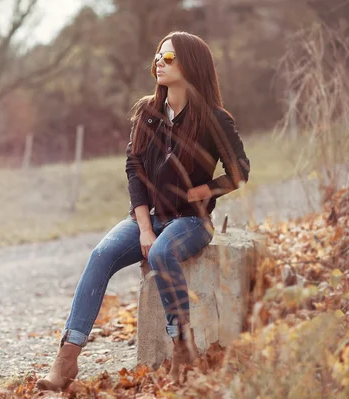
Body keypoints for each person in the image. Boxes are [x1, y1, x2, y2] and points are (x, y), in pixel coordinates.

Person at [35, 31, 251, 392]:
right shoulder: (147, 113)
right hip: (148, 218)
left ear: (191, 66)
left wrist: (206, 190)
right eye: (157, 56)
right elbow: (134, 169)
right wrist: (144, 227)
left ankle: (183, 349)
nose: (159, 64)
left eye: (169, 59)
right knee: (101, 254)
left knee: (165, 252)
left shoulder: (214, 119)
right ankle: (67, 357)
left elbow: (240, 169)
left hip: (191, 221)